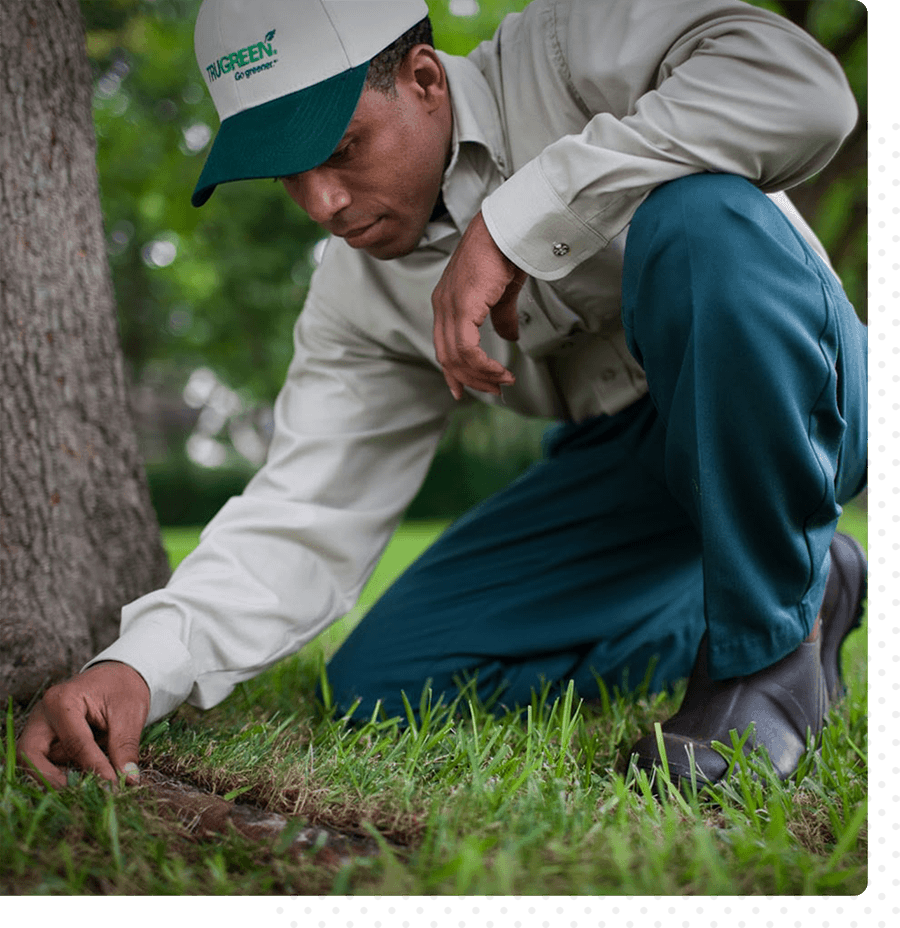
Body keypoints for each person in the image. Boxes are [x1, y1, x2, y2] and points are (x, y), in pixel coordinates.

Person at [18, 0, 867, 792]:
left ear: (424, 79)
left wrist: (515, 221)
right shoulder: (353, 300)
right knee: (384, 681)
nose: (322, 203)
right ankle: (804, 579)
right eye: (286, 175)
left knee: (700, 220)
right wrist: (136, 665)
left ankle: (765, 657)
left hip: (803, 392)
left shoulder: (574, 44)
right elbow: (304, 511)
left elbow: (805, 92)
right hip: (625, 461)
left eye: (342, 147)